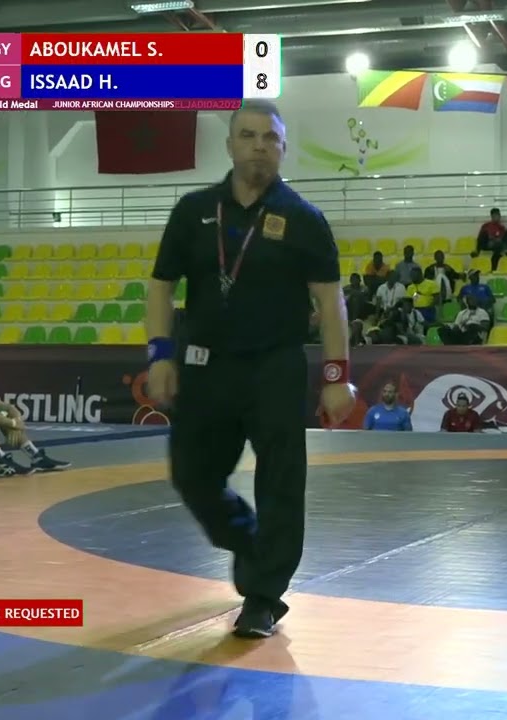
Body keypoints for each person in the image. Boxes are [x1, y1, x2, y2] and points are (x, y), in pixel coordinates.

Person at [144, 100, 357, 639]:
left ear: (283, 148)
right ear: (230, 144)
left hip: (275, 366)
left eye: (270, 138)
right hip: (204, 365)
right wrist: (160, 354)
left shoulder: (304, 219)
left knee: (281, 481)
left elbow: (330, 302)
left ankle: (263, 596)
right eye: (248, 135)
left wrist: (336, 376)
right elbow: (161, 286)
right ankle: (247, 539)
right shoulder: (192, 211)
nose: (259, 146)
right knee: (192, 475)